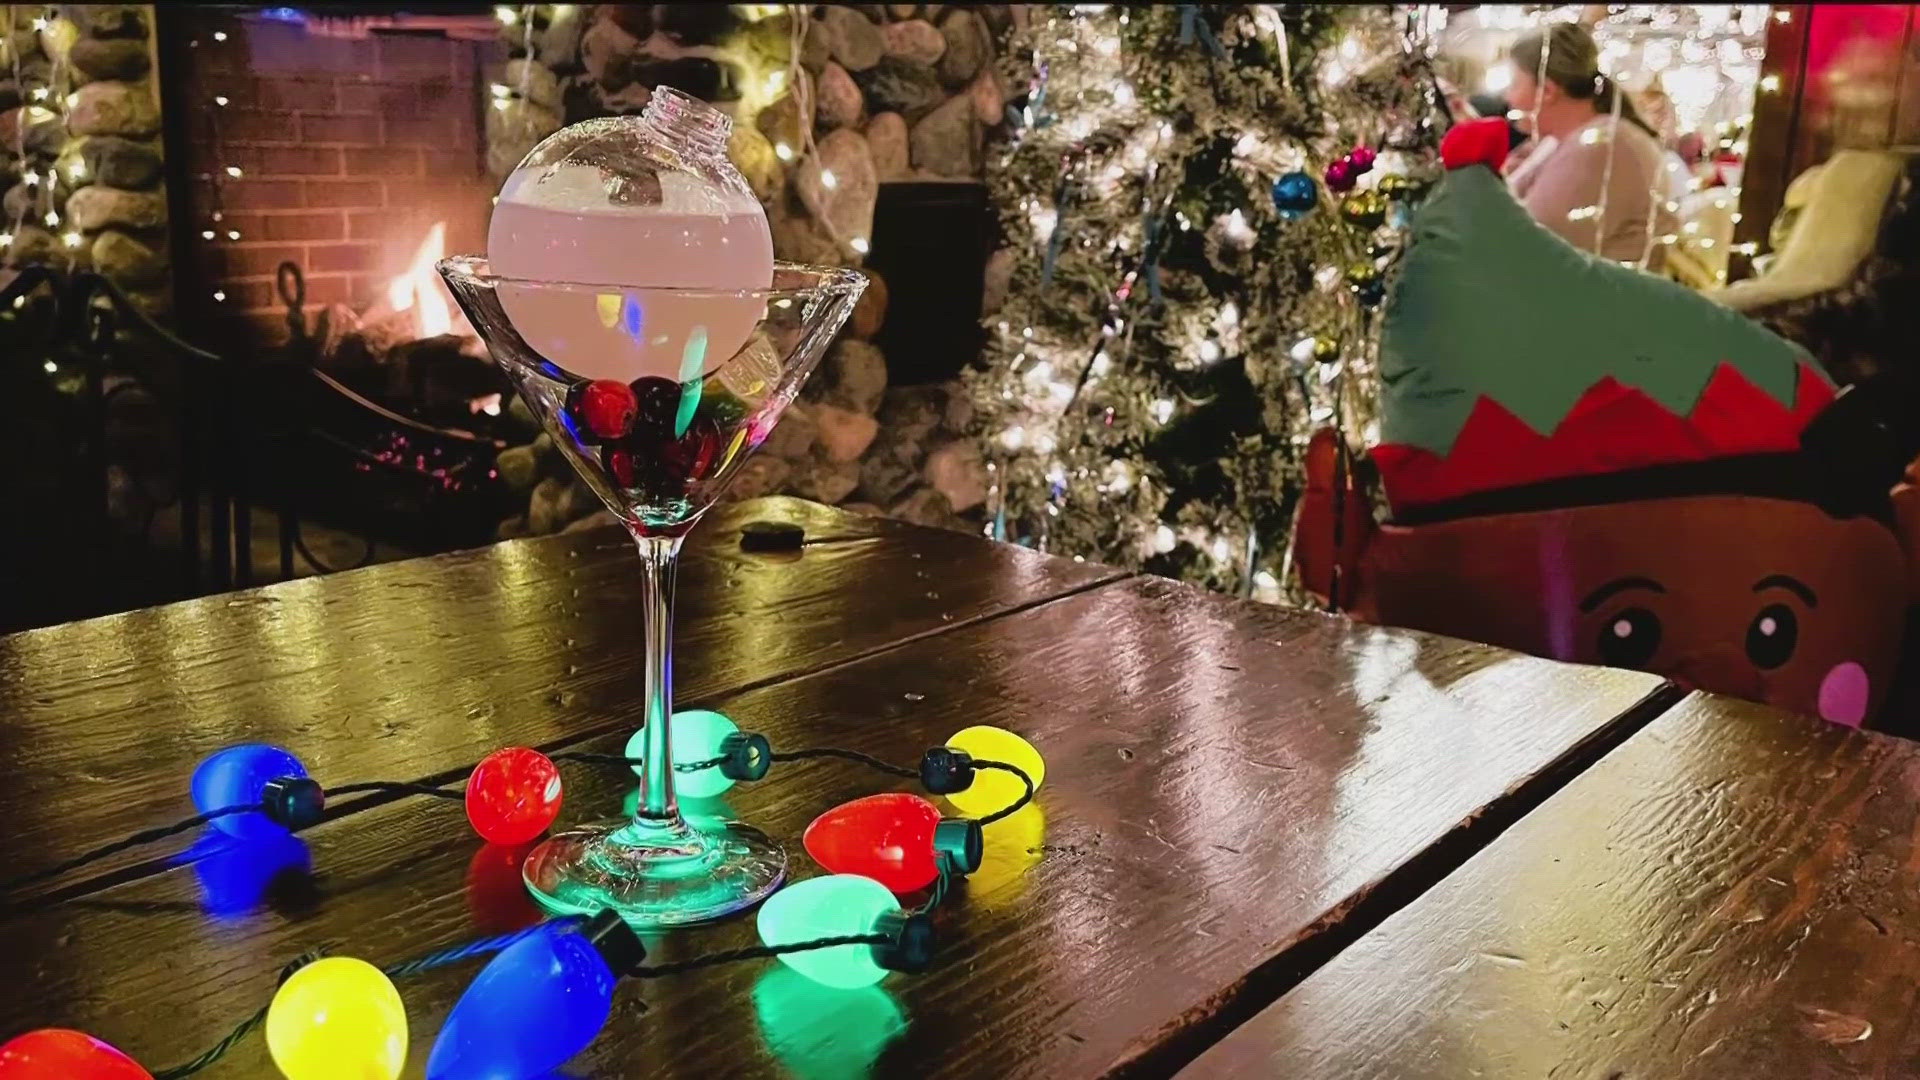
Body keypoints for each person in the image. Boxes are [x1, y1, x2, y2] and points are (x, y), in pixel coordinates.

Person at [1502, 22, 1670, 264]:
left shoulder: (1602, 145)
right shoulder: (1563, 141)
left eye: (1514, 84)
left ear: (1547, 91)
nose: (1507, 97)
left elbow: (1525, 248)